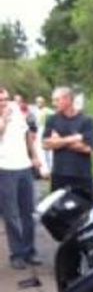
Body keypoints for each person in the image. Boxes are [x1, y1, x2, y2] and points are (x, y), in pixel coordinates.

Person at [0, 87, 42, 268]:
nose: (4, 102)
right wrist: (4, 121)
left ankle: (29, 251)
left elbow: (27, 136)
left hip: (24, 166)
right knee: (11, 215)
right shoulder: (6, 116)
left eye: (5, 98)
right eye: (0, 100)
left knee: (28, 212)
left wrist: (34, 156)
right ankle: (16, 254)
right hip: (5, 169)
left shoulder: (16, 110)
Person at [43, 86, 93, 204]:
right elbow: (46, 145)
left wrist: (58, 141)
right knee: (58, 212)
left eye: (57, 100)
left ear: (68, 99)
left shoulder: (87, 121)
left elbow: (88, 148)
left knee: (88, 210)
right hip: (59, 174)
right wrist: (74, 138)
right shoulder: (51, 119)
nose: (53, 103)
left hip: (82, 175)